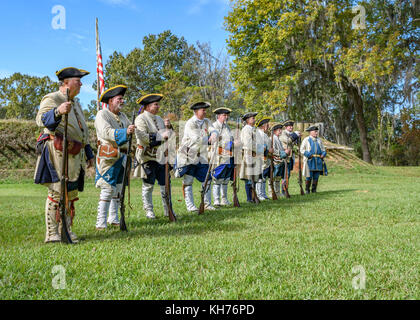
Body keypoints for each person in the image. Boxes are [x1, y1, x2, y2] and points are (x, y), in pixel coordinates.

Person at [34, 67, 94, 243]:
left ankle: (66, 229)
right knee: (57, 191)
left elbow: (82, 132)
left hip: (75, 153)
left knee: (70, 192)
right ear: (66, 82)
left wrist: (89, 152)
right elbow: (41, 120)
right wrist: (58, 111)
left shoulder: (76, 103)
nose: (81, 83)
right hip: (58, 151)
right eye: (78, 80)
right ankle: (52, 233)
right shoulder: (52, 98)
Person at [94, 85, 136, 230]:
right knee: (107, 188)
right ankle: (100, 222)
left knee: (117, 189)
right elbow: (106, 132)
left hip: (122, 156)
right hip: (109, 156)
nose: (122, 101)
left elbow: (130, 133)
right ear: (111, 100)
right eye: (119, 99)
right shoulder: (102, 115)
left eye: (122, 99)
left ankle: (113, 217)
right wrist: (125, 131)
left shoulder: (123, 116)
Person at [134, 94, 175, 219]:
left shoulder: (159, 119)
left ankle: (168, 209)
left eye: (158, 104)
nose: (158, 106)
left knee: (165, 184)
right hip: (147, 156)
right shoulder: (140, 119)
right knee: (148, 185)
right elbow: (143, 137)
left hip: (161, 156)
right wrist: (161, 137)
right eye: (155, 104)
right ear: (147, 106)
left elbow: (169, 136)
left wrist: (169, 127)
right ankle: (149, 210)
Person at [175, 101, 218, 212]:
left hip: (201, 156)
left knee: (207, 179)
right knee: (188, 181)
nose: (205, 112)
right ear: (196, 111)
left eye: (205, 110)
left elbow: (213, 130)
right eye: (203, 110)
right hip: (189, 155)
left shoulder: (207, 121)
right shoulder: (191, 123)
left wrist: (214, 134)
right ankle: (190, 206)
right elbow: (196, 139)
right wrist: (209, 140)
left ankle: (207, 204)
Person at [211, 107, 235, 207]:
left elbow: (230, 138)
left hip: (228, 155)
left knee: (225, 178)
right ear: (219, 116)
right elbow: (214, 141)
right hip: (218, 155)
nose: (226, 117)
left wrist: (233, 142)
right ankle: (216, 200)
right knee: (217, 178)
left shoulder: (227, 127)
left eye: (226, 115)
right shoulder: (214, 126)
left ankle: (224, 199)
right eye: (224, 115)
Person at [239, 112, 262, 203]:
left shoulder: (253, 129)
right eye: (252, 118)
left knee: (254, 177)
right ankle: (249, 198)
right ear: (248, 120)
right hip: (249, 154)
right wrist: (260, 148)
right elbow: (248, 143)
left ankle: (253, 196)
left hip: (254, 155)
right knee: (249, 178)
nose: (254, 119)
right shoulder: (246, 129)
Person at [300, 126, 328, 193]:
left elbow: (323, 149)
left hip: (318, 160)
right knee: (309, 176)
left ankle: (314, 189)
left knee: (316, 176)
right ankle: (307, 189)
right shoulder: (306, 139)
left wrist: (323, 154)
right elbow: (302, 149)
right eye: (315, 131)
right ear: (310, 132)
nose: (316, 133)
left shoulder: (319, 140)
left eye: (317, 131)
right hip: (310, 160)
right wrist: (308, 154)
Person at [279, 120, 301, 195]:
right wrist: (295, 135)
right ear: (286, 127)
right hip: (284, 156)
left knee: (288, 174)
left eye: (292, 126)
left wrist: (298, 138)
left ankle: (285, 189)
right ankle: (283, 190)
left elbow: (295, 144)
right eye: (289, 126)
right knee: (285, 174)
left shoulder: (291, 134)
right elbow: (287, 140)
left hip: (291, 156)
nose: (291, 127)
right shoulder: (282, 133)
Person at [267, 123, 288, 198]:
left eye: (280, 130)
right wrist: (282, 153)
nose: (280, 131)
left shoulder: (277, 139)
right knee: (272, 177)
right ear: (274, 131)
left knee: (278, 178)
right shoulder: (272, 139)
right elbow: (273, 150)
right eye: (279, 130)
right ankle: (271, 192)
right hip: (275, 161)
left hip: (279, 160)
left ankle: (277, 192)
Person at [255, 117, 273, 201]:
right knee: (260, 178)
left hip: (266, 158)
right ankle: (259, 194)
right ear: (263, 126)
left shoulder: (265, 135)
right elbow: (258, 147)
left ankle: (263, 194)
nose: (268, 126)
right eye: (267, 125)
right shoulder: (258, 134)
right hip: (260, 158)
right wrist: (267, 149)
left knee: (264, 178)